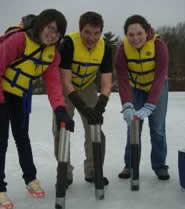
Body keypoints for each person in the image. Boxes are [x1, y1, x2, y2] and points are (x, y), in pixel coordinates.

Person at [0, 9, 74, 209]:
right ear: (41, 25)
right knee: (1, 141)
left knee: (22, 137)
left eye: (57, 32)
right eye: (50, 28)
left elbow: (53, 84)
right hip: (0, 92)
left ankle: (30, 178)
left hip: (19, 95)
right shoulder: (18, 41)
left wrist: (60, 108)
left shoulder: (53, 55)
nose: (52, 35)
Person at [53, 11, 112, 188]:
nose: (91, 37)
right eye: (87, 32)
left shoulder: (105, 48)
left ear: (101, 32)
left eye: (96, 33)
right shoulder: (68, 44)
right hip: (67, 88)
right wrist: (83, 107)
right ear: (80, 30)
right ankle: (65, 173)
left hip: (87, 86)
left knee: (95, 128)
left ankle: (94, 171)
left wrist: (99, 107)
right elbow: (65, 81)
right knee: (61, 128)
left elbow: (107, 83)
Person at [115, 15, 169, 181]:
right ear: (126, 35)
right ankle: (129, 165)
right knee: (133, 127)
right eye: (131, 35)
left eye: (139, 33)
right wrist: (127, 105)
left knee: (158, 129)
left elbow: (160, 76)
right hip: (136, 88)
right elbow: (123, 79)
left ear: (146, 32)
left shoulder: (159, 46)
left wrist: (150, 105)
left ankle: (160, 166)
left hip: (157, 87)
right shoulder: (122, 49)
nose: (135, 38)